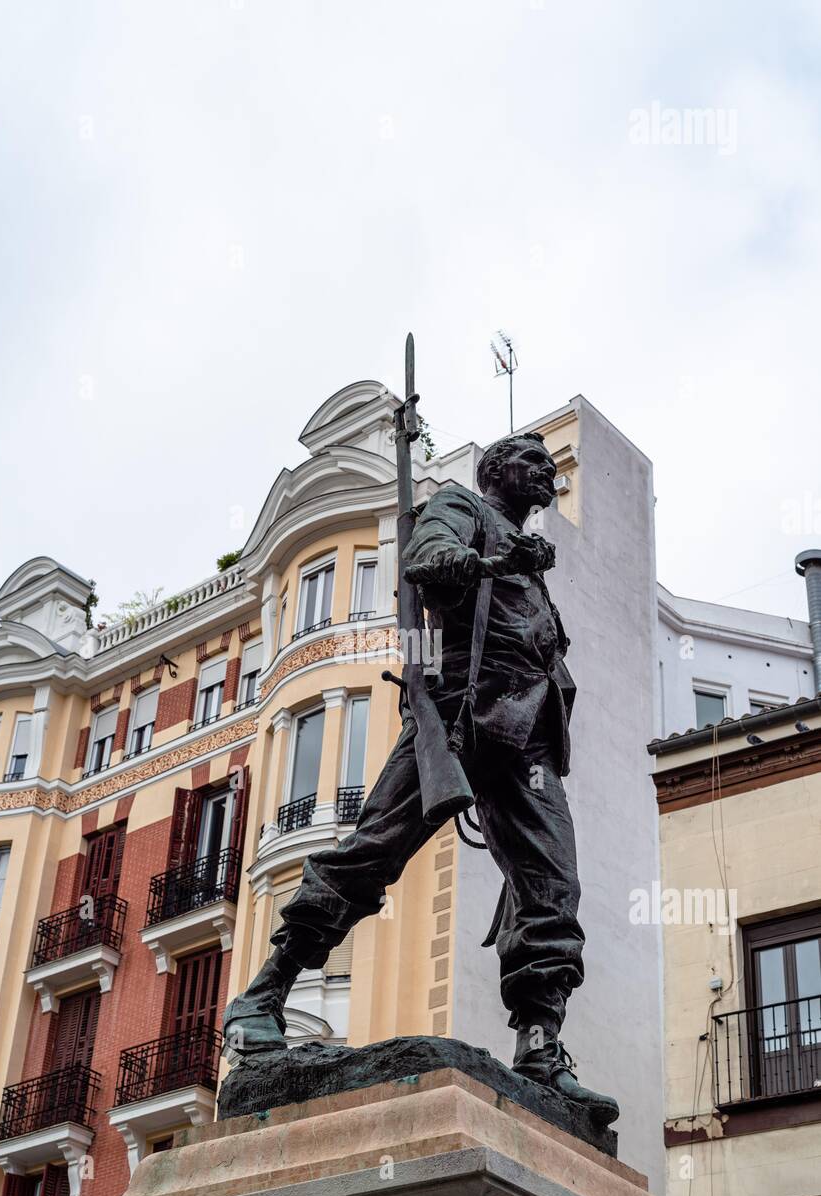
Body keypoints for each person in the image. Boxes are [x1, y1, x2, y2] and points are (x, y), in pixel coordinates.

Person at [223, 430, 619, 1123]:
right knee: (372, 853)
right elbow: (427, 565)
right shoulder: (462, 507)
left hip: (525, 737)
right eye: (532, 462)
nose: (545, 475)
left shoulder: (528, 557)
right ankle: (261, 998)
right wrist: (501, 556)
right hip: (462, 715)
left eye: (549, 467)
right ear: (496, 468)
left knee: (552, 887)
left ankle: (539, 1046)